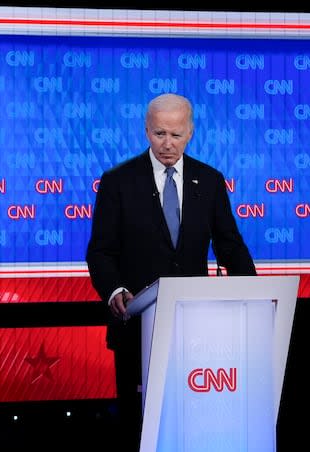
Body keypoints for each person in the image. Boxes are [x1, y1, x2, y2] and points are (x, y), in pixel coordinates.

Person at [85, 93, 256, 450]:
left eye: (176, 135)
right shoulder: (118, 181)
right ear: (146, 130)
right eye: (159, 134)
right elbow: (100, 251)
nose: (167, 144)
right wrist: (116, 292)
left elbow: (230, 246)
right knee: (139, 427)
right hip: (137, 329)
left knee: (192, 424)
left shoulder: (209, 180)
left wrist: (253, 297)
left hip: (198, 331)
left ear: (190, 132)